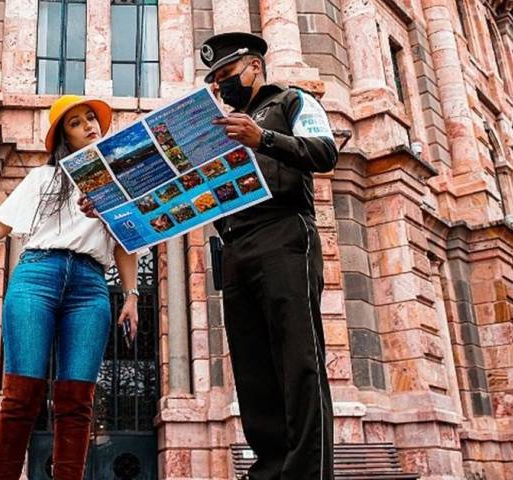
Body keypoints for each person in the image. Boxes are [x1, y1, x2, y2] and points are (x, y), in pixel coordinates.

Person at [0, 95, 140, 480]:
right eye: (77, 123)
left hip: (90, 285)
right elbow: (3, 224)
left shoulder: (118, 183)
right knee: (22, 393)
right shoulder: (43, 178)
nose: (89, 126)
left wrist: (131, 296)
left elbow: (125, 244)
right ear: (63, 136)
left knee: (78, 398)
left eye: (90, 119)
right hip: (38, 275)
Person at [206, 32, 338, 479]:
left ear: (254, 67)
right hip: (235, 248)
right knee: (252, 367)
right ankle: (270, 469)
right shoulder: (222, 128)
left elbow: (324, 153)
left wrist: (262, 138)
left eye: (228, 74)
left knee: (297, 359)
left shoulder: (291, 101)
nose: (223, 85)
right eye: (216, 79)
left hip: (284, 235)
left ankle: (307, 471)